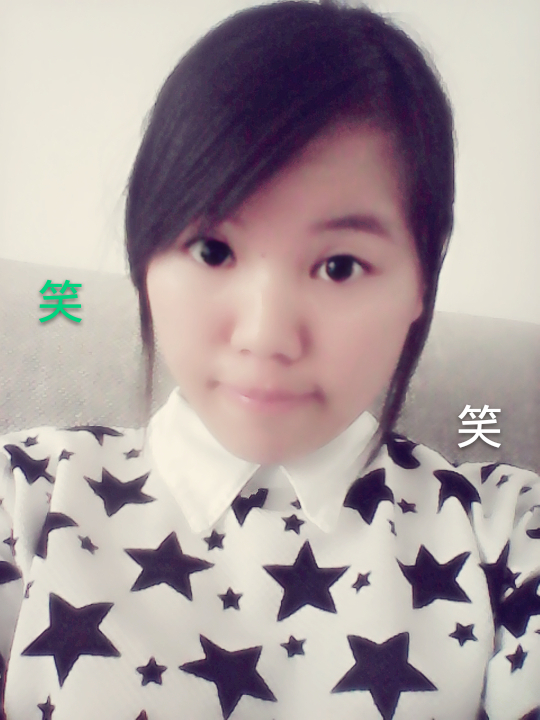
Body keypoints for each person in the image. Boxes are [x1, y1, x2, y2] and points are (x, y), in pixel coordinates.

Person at [1, 1, 539, 719]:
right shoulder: (26, 498)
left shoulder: (506, 537)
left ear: (421, 282)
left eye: (340, 266)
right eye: (213, 250)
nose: (266, 336)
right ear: (143, 256)